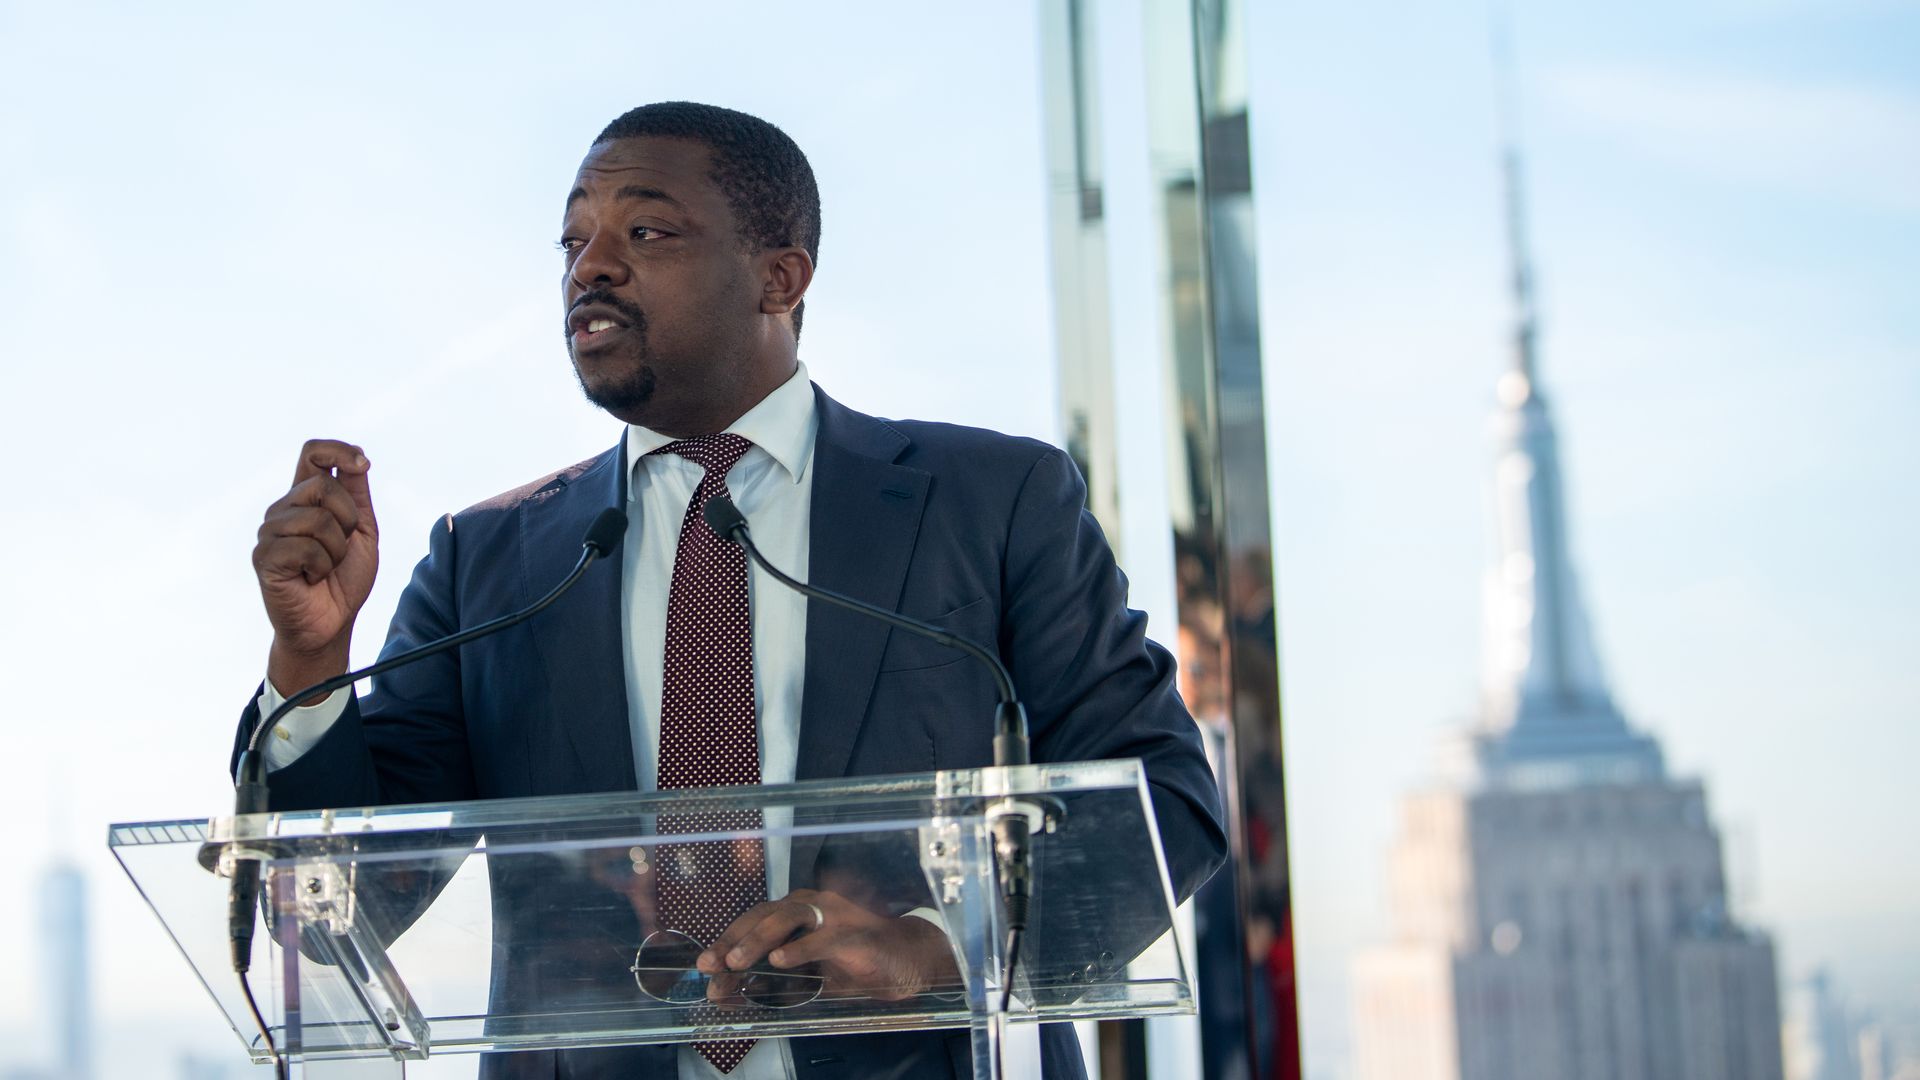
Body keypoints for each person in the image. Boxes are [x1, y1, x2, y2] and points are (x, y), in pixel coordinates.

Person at [236, 101, 1225, 1079]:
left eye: (647, 230)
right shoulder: (486, 559)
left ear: (780, 276)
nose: (592, 266)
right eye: (573, 239)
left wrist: (933, 951)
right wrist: (312, 659)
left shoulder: (991, 502)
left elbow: (1167, 802)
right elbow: (352, 905)